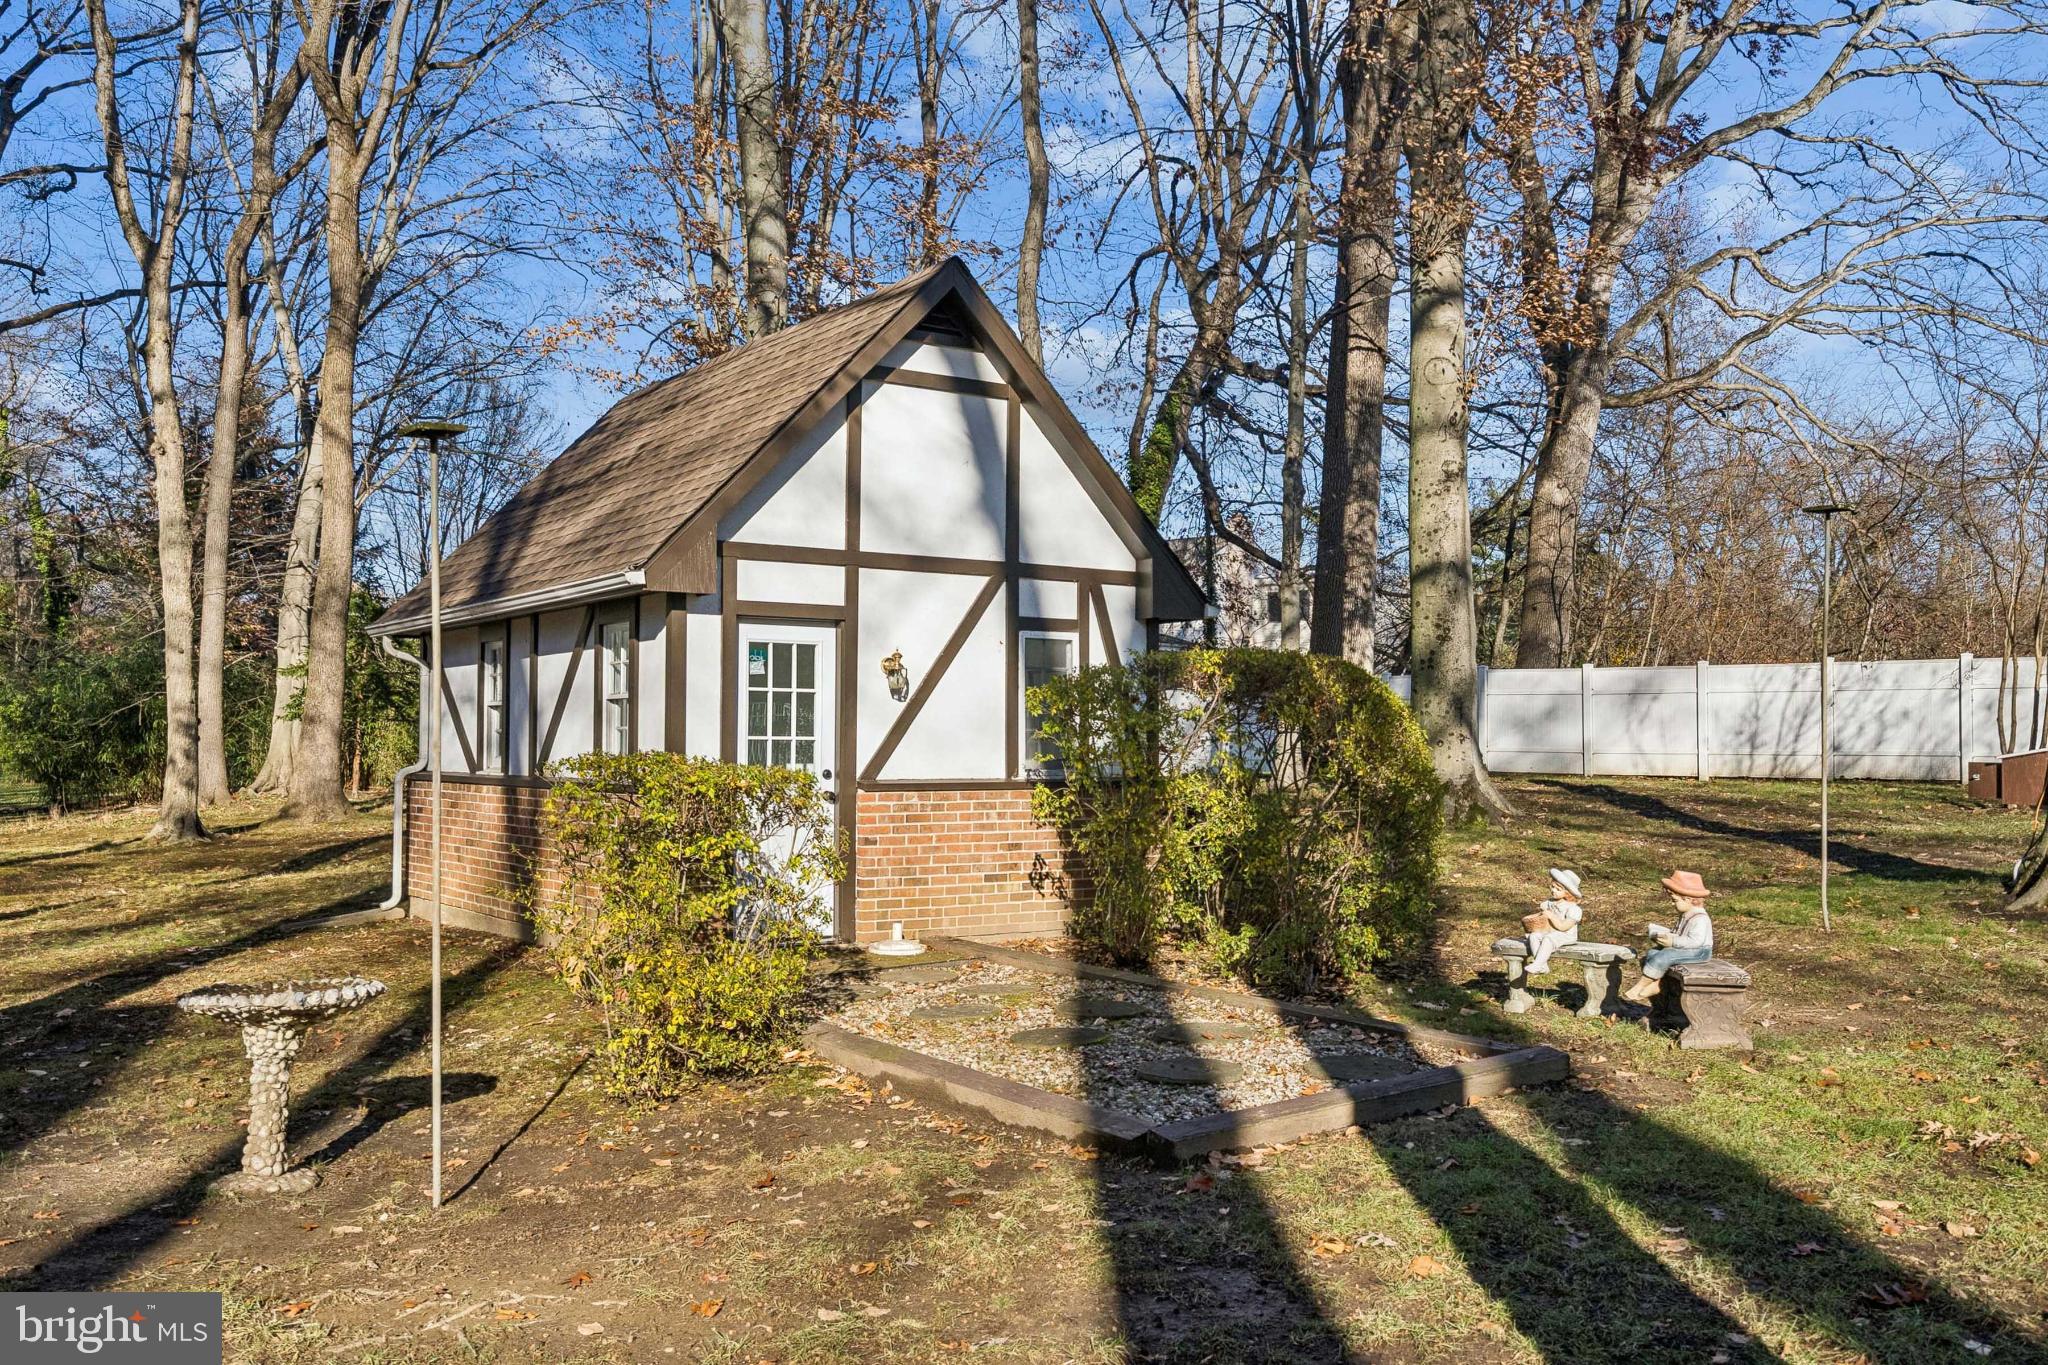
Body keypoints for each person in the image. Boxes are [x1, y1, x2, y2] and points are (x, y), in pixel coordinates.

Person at [1623, 869, 1715, 1003]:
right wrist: (1664, 936)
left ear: (1688, 899)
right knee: (1652, 953)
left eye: (1674, 900)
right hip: (1688, 948)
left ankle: (1640, 986)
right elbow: (1680, 933)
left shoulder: (1699, 919)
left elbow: (1696, 942)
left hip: (1700, 952)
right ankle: (1658, 984)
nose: (1673, 904)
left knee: (1665, 956)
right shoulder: (1686, 915)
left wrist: (1673, 942)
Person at [1522, 868, 1584, 974]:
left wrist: (1551, 916)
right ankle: (1542, 965)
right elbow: (1542, 917)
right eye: (1553, 887)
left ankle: (1537, 963)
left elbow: (1563, 927)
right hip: (1550, 932)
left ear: (1568, 893)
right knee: (1534, 936)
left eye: (1558, 889)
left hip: (1566, 935)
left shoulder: (1573, 909)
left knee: (1548, 939)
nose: (1553, 891)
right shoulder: (1549, 903)